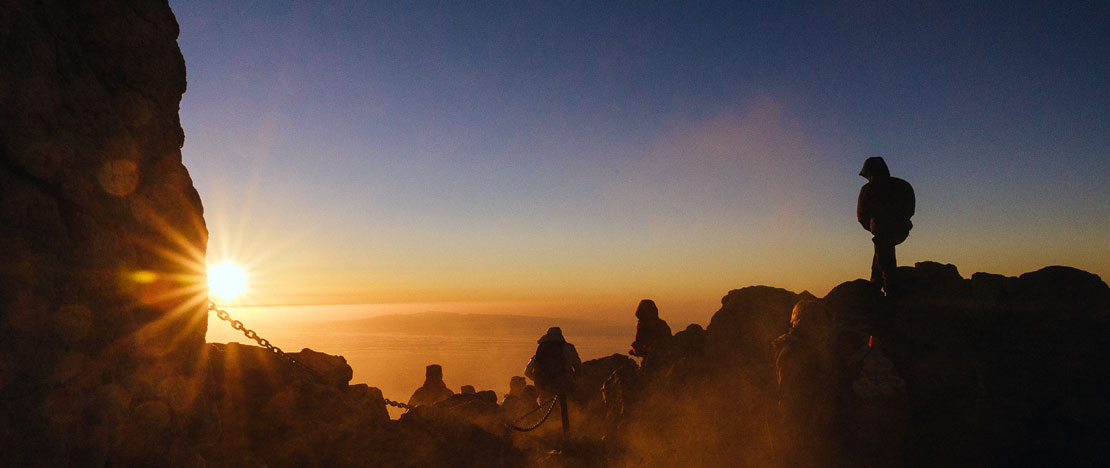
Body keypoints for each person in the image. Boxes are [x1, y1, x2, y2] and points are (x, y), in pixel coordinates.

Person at [772, 301, 849, 468]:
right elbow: (797, 394)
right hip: (801, 430)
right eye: (818, 322)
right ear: (806, 323)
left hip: (808, 428)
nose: (823, 328)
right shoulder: (792, 352)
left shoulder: (806, 348)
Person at [857, 156, 915, 295]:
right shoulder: (903, 184)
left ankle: (890, 287)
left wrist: (874, 226)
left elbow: (861, 216)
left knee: (882, 245)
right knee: (882, 246)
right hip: (901, 229)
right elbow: (910, 209)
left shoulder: (868, 189)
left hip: (886, 229)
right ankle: (876, 282)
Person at [524, 327, 582, 446]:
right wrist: (573, 380)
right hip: (566, 389)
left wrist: (540, 382)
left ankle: (551, 444)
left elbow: (527, 371)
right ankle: (569, 444)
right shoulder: (569, 348)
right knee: (569, 417)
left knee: (549, 420)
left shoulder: (542, 350)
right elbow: (579, 367)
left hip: (546, 391)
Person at [629, 299, 672, 367]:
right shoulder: (662, 324)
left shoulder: (642, 325)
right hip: (665, 358)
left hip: (651, 360)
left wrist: (635, 349)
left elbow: (639, 343)